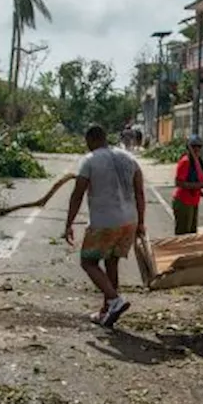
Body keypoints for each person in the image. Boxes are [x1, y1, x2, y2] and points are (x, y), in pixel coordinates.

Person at [64, 124, 146, 327]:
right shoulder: (129, 158)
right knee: (111, 262)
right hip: (129, 221)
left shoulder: (90, 160)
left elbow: (77, 193)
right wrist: (141, 222)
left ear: (90, 140)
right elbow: (140, 192)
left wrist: (69, 223)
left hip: (105, 222)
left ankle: (115, 299)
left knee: (88, 262)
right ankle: (107, 310)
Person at [171, 134, 203, 235]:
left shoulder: (197, 162)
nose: (196, 149)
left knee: (192, 233)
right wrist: (202, 185)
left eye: (199, 146)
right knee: (183, 234)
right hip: (183, 202)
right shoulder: (185, 162)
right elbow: (179, 183)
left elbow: (197, 182)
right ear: (189, 148)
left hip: (193, 201)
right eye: (194, 146)